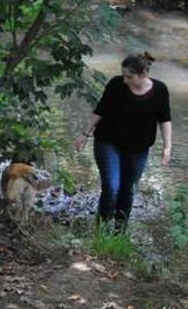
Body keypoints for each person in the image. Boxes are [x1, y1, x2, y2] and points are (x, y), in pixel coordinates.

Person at [73, 52, 173, 232]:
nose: (124, 80)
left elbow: (164, 119)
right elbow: (100, 110)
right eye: (124, 75)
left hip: (138, 148)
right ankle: (101, 232)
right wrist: (84, 134)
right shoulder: (116, 85)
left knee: (127, 190)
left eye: (129, 76)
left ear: (143, 75)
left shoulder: (160, 90)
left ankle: (120, 234)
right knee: (111, 186)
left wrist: (167, 147)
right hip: (108, 142)